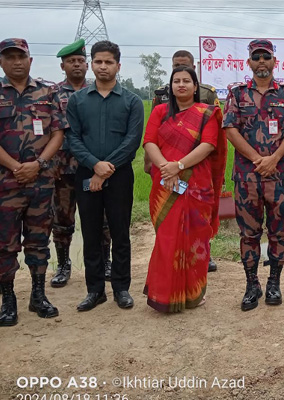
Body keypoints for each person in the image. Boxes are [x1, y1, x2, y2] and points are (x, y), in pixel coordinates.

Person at [223, 39, 284, 311]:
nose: (261, 62)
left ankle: (274, 283)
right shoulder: (236, 94)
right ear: (249, 62)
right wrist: (258, 159)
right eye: (256, 57)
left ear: (274, 62)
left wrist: (275, 158)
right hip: (248, 177)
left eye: (266, 57)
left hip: (280, 176)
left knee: (278, 232)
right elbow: (231, 129)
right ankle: (251, 284)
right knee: (249, 233)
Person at [66, 41, 144, 311]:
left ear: (118, 66)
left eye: (108, 62)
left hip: (120, 176)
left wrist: (106, 167)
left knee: (121, 232)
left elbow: (132, 140)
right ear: (91, 64)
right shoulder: (77, 100)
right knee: (91, 233)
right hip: (86, 175)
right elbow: (72, 138)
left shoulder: (132, 101)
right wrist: (94, 165)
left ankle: (121, 288)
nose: (103, 66)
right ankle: (95, 290)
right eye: (98, 61)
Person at [142, 66, 226, 313]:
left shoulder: (206, 113)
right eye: (176, 81)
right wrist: (165, 168)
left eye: (187, 81)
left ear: (195, 86)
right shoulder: (159, 111)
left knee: (196, 239)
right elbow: (149, 141)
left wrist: (178, 165)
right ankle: (164, 294)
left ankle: (193, 293)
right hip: (165, 181)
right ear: (171, 86)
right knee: (167, 239)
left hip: (196, 184)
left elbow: (209, 145)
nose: (181, 85)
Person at [0, 38, 67, 326]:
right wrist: (17, 167)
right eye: (10, 57)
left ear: (30, 60)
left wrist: (38, 164)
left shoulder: (47, 91)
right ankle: (8, 300)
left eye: (21, 56)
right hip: (6, 183)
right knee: (5, 243)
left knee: (39, 239)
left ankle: (38, 295)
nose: (16, 61)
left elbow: (58, 133)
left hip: (41, 181)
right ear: (2, 62)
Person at [50, 39, 113, 288]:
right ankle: (64, 265)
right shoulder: (52, 94)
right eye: (70, 61)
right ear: (62, 66)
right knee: (63, 219)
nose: (76, 65)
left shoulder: (97, 91)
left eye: (80, 61)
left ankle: (105, 262)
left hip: (93, 168)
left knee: (102, 218)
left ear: (87, 65)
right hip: (63, 169)